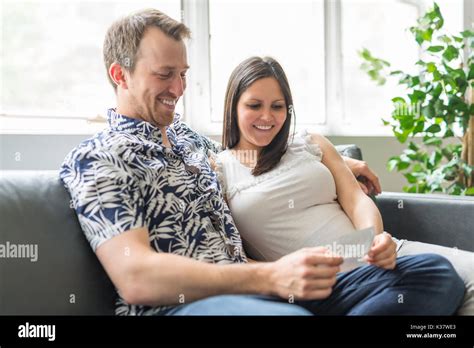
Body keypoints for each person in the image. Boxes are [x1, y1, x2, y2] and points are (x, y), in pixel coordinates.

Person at [60, 9, 464, 316]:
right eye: (165, 74)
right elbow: (136, 278)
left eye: (183, 74)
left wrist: (336, 160)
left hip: (264, 289)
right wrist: (271, 275)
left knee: (433, 274)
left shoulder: (190, 144)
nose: (179, 89)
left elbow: (254, 154)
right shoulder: (98, 159)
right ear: (120, 75)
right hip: (189, 305)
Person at [214, 56, 473, 315]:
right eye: (254, 105)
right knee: (439, 277)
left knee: (455, 275)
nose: (267, 116)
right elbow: (228, 254)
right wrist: (280, 278)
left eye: (278, 106)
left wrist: (376, 239)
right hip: (316, 283)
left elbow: (355, 199)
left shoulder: (309, 142)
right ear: (233, 106)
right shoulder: (218, 171)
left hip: (373, 254)